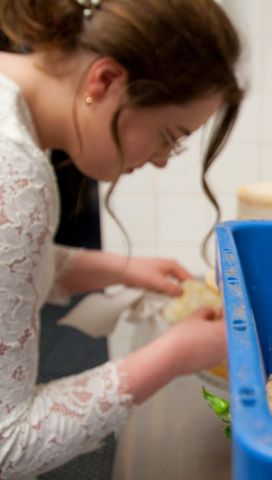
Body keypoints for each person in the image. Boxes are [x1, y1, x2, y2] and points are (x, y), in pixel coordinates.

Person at [0, 0, 242, 477]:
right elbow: (8, 441)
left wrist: (122, 269)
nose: (161, 160)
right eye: (168, 136)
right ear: (106, 80)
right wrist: (175, 354)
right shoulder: (14, 173)